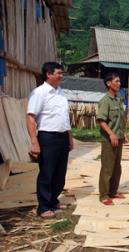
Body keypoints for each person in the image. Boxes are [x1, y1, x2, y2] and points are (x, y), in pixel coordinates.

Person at [27, 62, 73, 218]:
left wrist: (70, 139)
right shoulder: (39, 93)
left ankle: (53, 200)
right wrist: (34, 142)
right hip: (47, 137)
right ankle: (43, 207)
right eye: (58, 73)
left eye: (62, 73)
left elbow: (65, 119)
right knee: (47, 172)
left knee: (60, 173)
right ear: (48, 74)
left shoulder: (61, 93)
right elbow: (31, 118)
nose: (61, 76)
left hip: (62, 137)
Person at [97, 72, 128, 205]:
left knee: (117, 166)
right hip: (109, 139)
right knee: (107, 167)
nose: (119, 84)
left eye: (120, 81)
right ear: (108, 83)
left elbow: (121, 119)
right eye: (116, 81)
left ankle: (113, 191)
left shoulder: (118, 99)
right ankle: (104, 195)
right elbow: (101, 121)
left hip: (119, 137)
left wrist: (123, 133)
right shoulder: (105, 101)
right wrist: (111, 134)